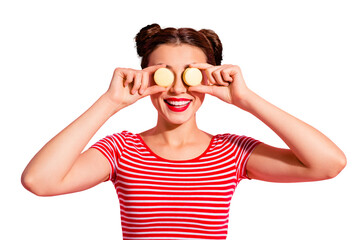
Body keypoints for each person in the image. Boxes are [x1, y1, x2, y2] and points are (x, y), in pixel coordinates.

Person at [21, 23, 346, 239]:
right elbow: (40, 181)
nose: (177, 90)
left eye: (191, 76)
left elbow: (328, 164)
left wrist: (246, 99)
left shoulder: (232, 153)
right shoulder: (121, 150)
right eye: (163, 75)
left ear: (212, 77)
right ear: (145, 77)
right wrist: (109, 102)